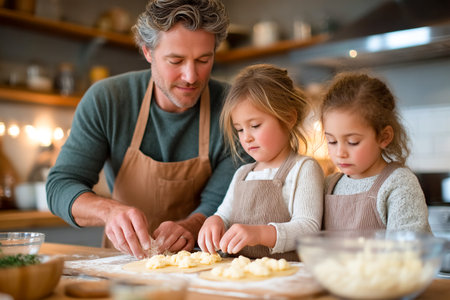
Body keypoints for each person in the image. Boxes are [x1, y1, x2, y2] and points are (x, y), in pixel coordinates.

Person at [46, 0, 239, 259]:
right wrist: (108, 211)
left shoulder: (233, 107)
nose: (191, 76)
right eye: (176, 60)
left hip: (203, 262)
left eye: (204, 59)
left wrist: (191, 226)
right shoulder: (108, 99)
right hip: (124, 262)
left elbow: (225, 197)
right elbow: (60, 185)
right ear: (148, 52)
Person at [198, 64, 324, 261]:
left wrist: (258, 234)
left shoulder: (303, 169)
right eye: (239, 129)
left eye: (255, 126)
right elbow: (224, 214)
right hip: (239, 275)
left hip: (284, 275)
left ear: (289, 118)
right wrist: (214, 221)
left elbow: (308, 228)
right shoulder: (242, 173)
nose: (246, 137)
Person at [320, 72, 430, 232]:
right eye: (332, 141)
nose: (340, 152)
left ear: (384, 137)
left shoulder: (399, 184)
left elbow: (406, 251)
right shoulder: (329, 184)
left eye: (352, 142)